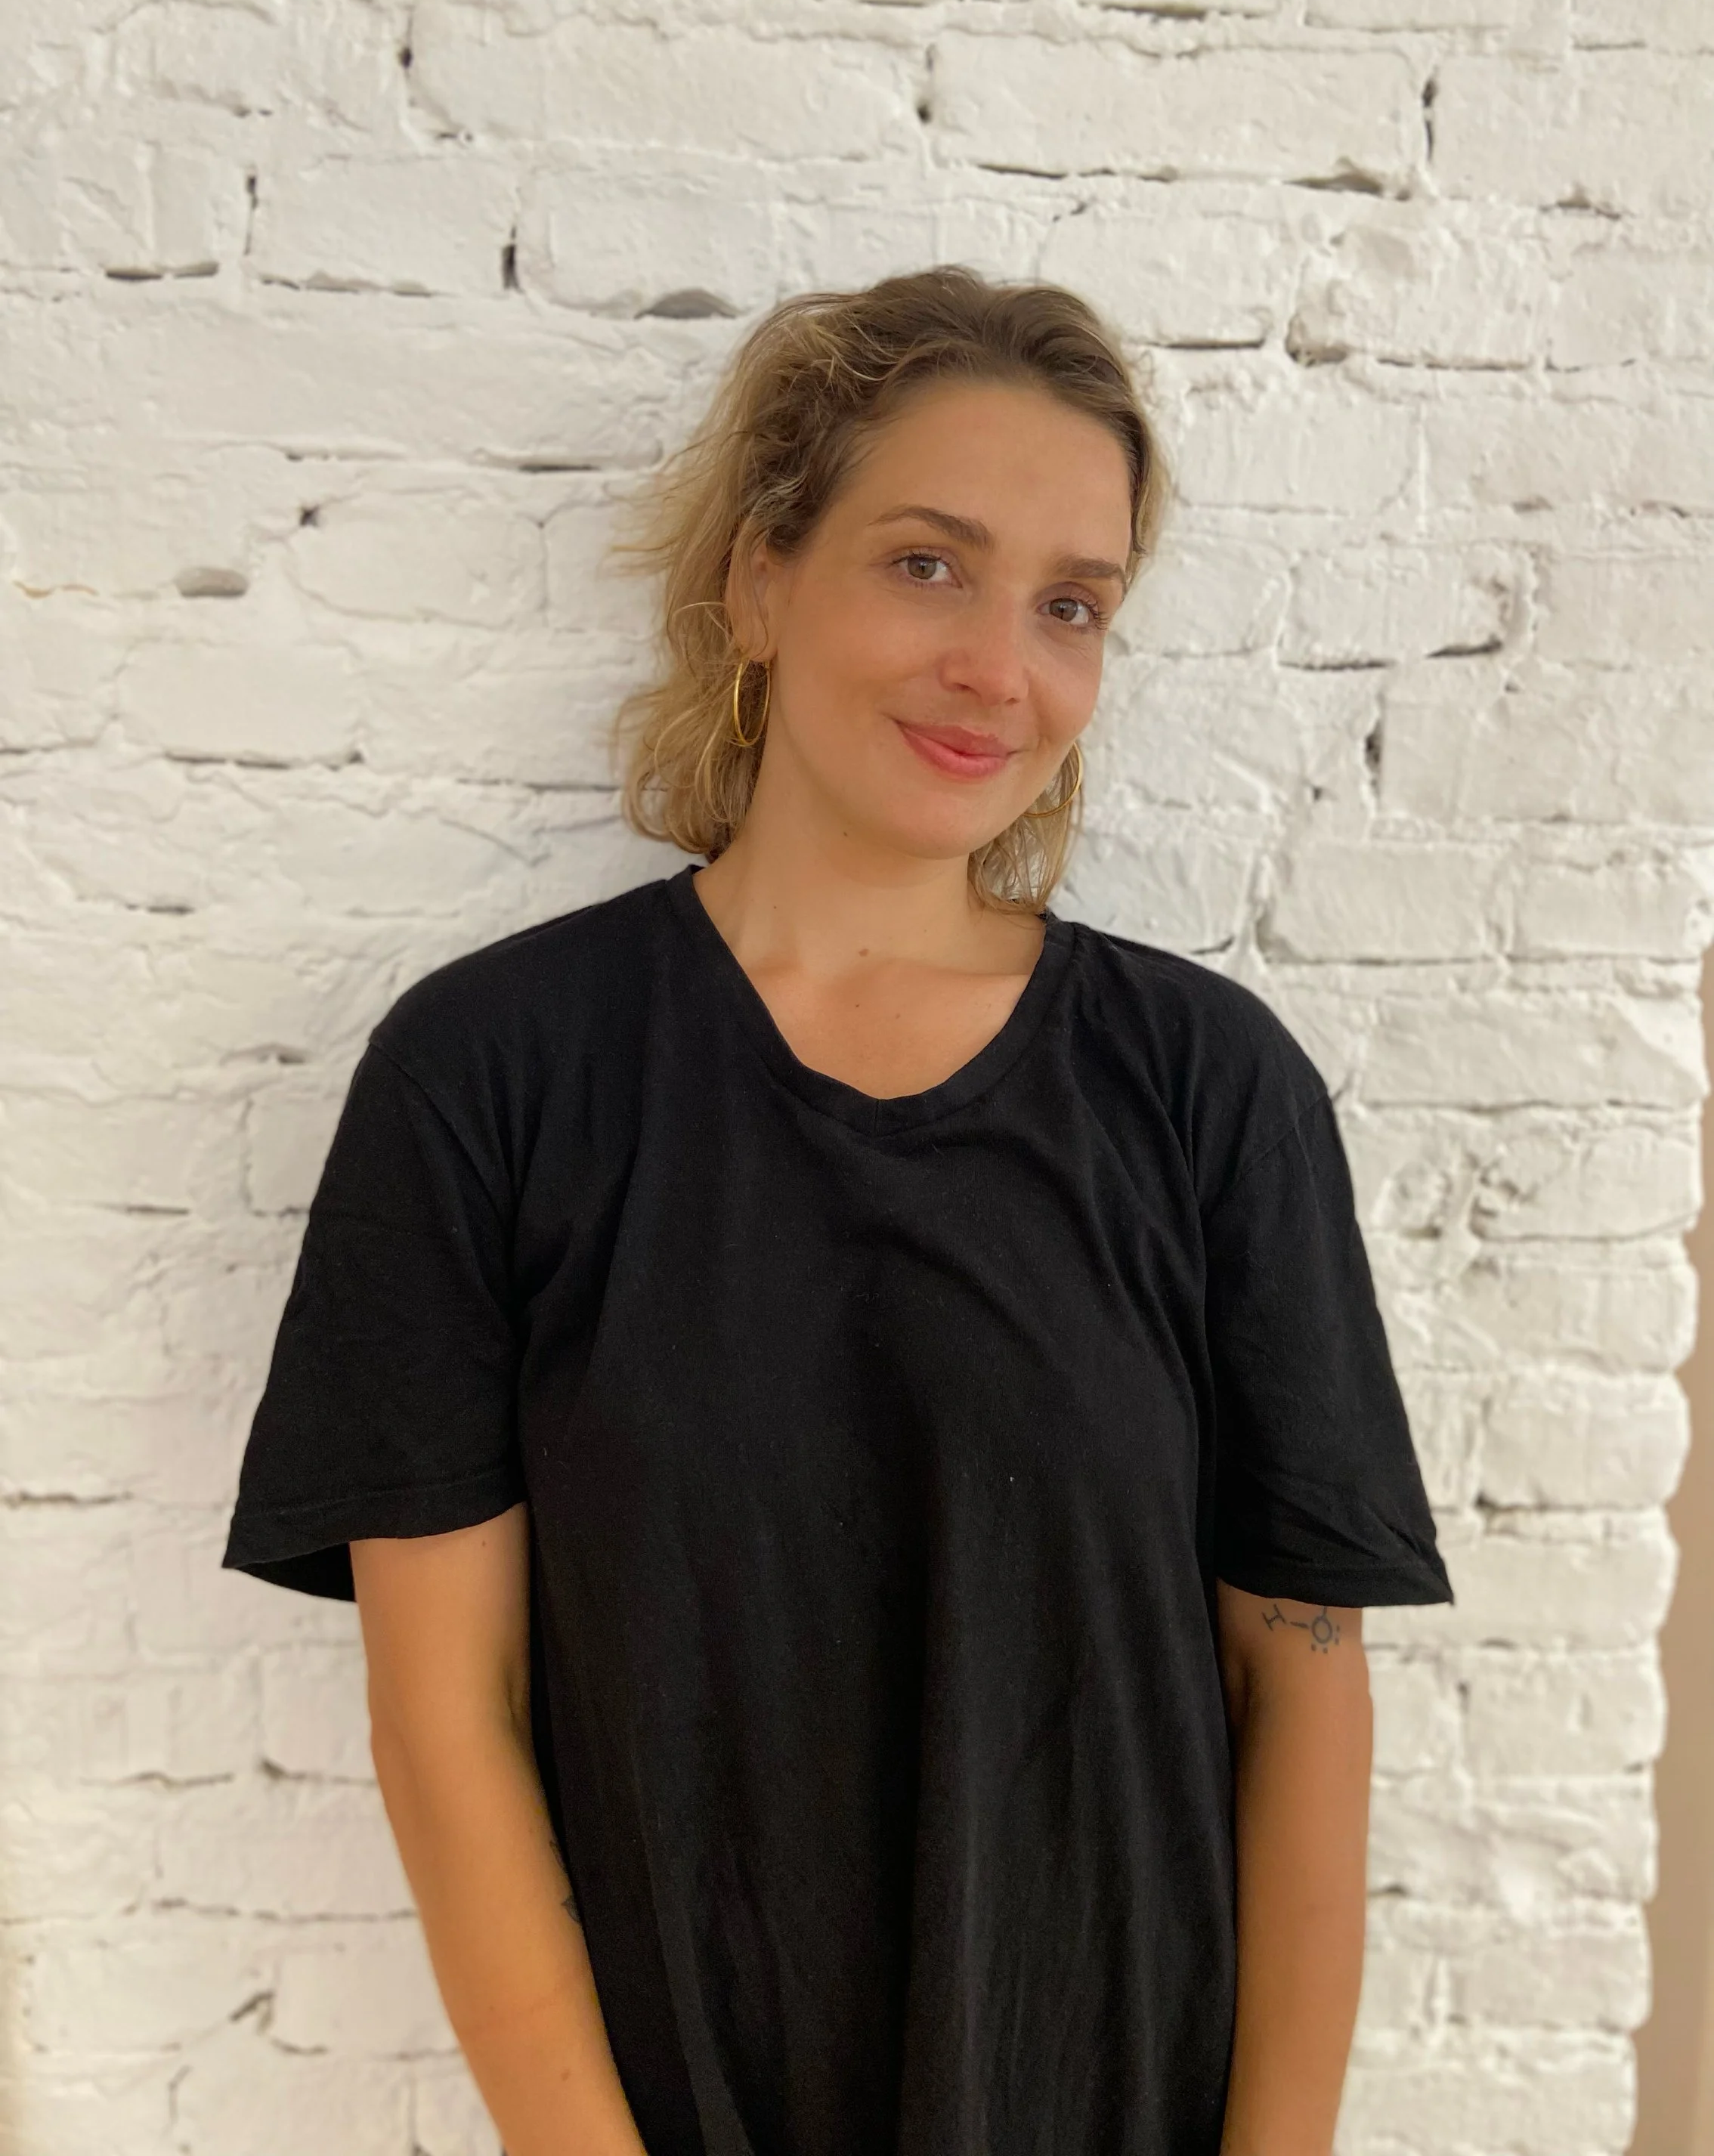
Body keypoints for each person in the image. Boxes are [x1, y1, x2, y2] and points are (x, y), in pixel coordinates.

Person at [223, 264, 1453, 2156]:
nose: (1001, 668)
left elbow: (1301, 1687)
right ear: (760, 579)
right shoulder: (492, 1079)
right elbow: (443, 1716)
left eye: (1071, 606)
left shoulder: (1211, 1091)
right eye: (927, 564)